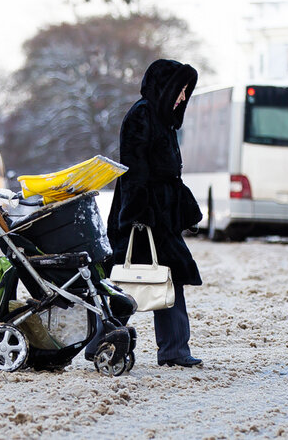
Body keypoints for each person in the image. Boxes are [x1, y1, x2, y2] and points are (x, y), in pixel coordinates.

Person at [106, 59, 204, 368]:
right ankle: (105, 342)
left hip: (158, 214)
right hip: (143, 215)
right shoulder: (142, 115)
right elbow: (134, 172)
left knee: (159, 278)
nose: (183, 97)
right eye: (180, 90)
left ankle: (172, 350)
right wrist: (137, 217)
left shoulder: (161, 119)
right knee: (132, 280)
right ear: (164, 88)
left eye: (186, 91)